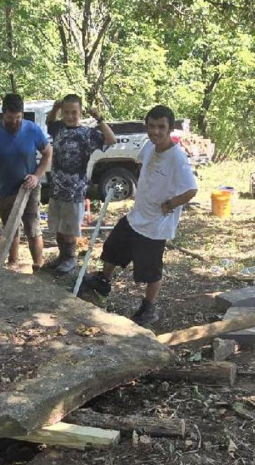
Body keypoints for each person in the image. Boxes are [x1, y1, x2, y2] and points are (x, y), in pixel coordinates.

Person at [83, 105, 197, 325]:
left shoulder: (177, 158)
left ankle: (149, 307)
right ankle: (103, 281)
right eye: (151, 126)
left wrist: (171, 203)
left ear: (170, 128)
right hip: (137, 215)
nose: (155, 131)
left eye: (161, 127)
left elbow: (191, 190)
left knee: (150, 270)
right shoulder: (149, 147)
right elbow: (141, 164)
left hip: (156, 224)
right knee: (112, 248)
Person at [0, 93, 52, 270]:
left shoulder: (32, 129)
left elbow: (48, 153)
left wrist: (37, 176)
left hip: (29, 186)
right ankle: (12, 262)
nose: (15, 122)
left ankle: (38, 265)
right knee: (10, 228)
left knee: (32, 227)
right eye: (11, 118)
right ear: (3, 114)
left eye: (18, 117)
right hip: (6, 189)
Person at [44, 95, 116, 275]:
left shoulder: (87, 134)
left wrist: (99, 119)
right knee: (58, 227)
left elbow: (111, 139)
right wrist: (54, 108)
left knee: (69, 229)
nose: (70, 116)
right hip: (56, 188)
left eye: (74, 112)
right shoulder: (59, 129)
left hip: (74, 190)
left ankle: (70, 259)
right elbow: (49, 122)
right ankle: (62, 256)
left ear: (80, 112)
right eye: (66, 112)